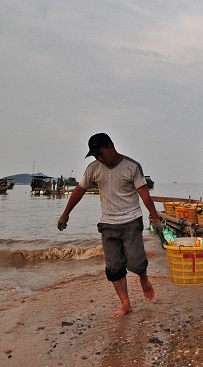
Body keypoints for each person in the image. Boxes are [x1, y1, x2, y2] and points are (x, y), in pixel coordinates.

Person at [57, 132, 163, 318]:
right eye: (95, 155)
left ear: (111, 146)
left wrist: (155, 218)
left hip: (131, 221)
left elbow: (144, 194)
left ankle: (143, 278)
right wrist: (65, 214)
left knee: (136, 262)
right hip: (107, 223)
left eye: (101, 153)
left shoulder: (132, 167)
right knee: (114, 268)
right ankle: (125, 303)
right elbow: (79, 191)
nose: (99, 158)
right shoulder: (93, 169)